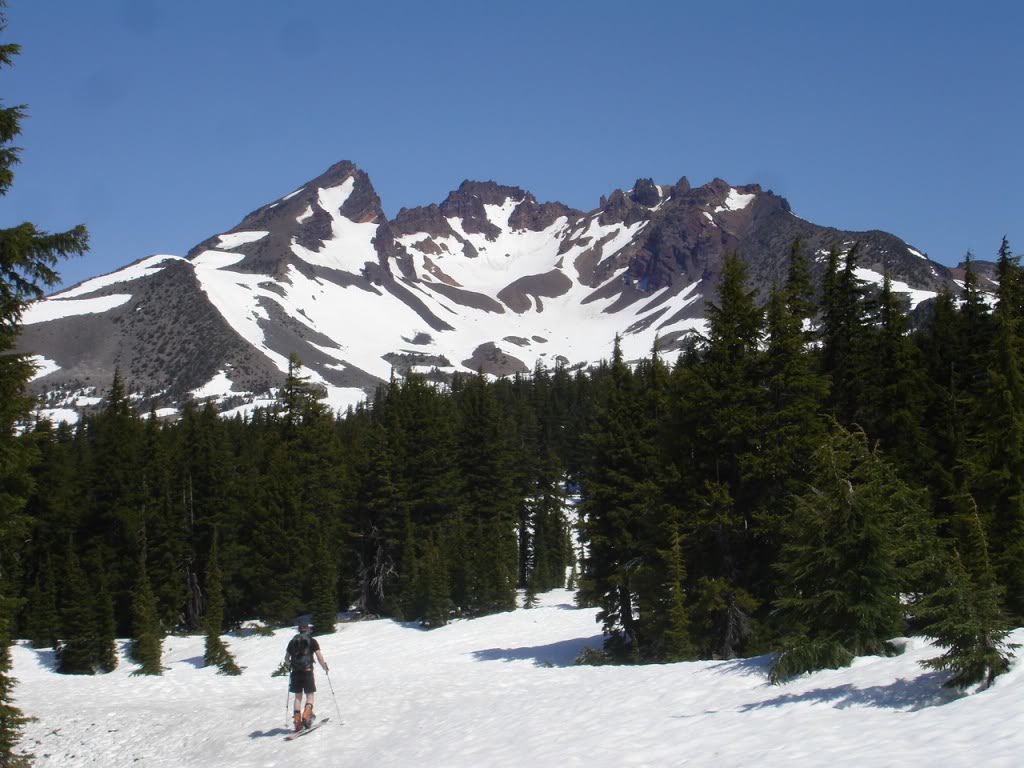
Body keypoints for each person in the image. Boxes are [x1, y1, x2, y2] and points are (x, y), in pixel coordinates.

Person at [285, 622, 329, 731]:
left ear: (299, 630)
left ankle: (297, 722)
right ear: (308, 630)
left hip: (295, 672)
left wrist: (289, 666)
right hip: (307, 671)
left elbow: (286, 658)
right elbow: (319, 657)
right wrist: (324, 667)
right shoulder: (312, 641)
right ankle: (307, 715)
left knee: (297, 697)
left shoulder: (292, 642)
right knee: (310, 695)